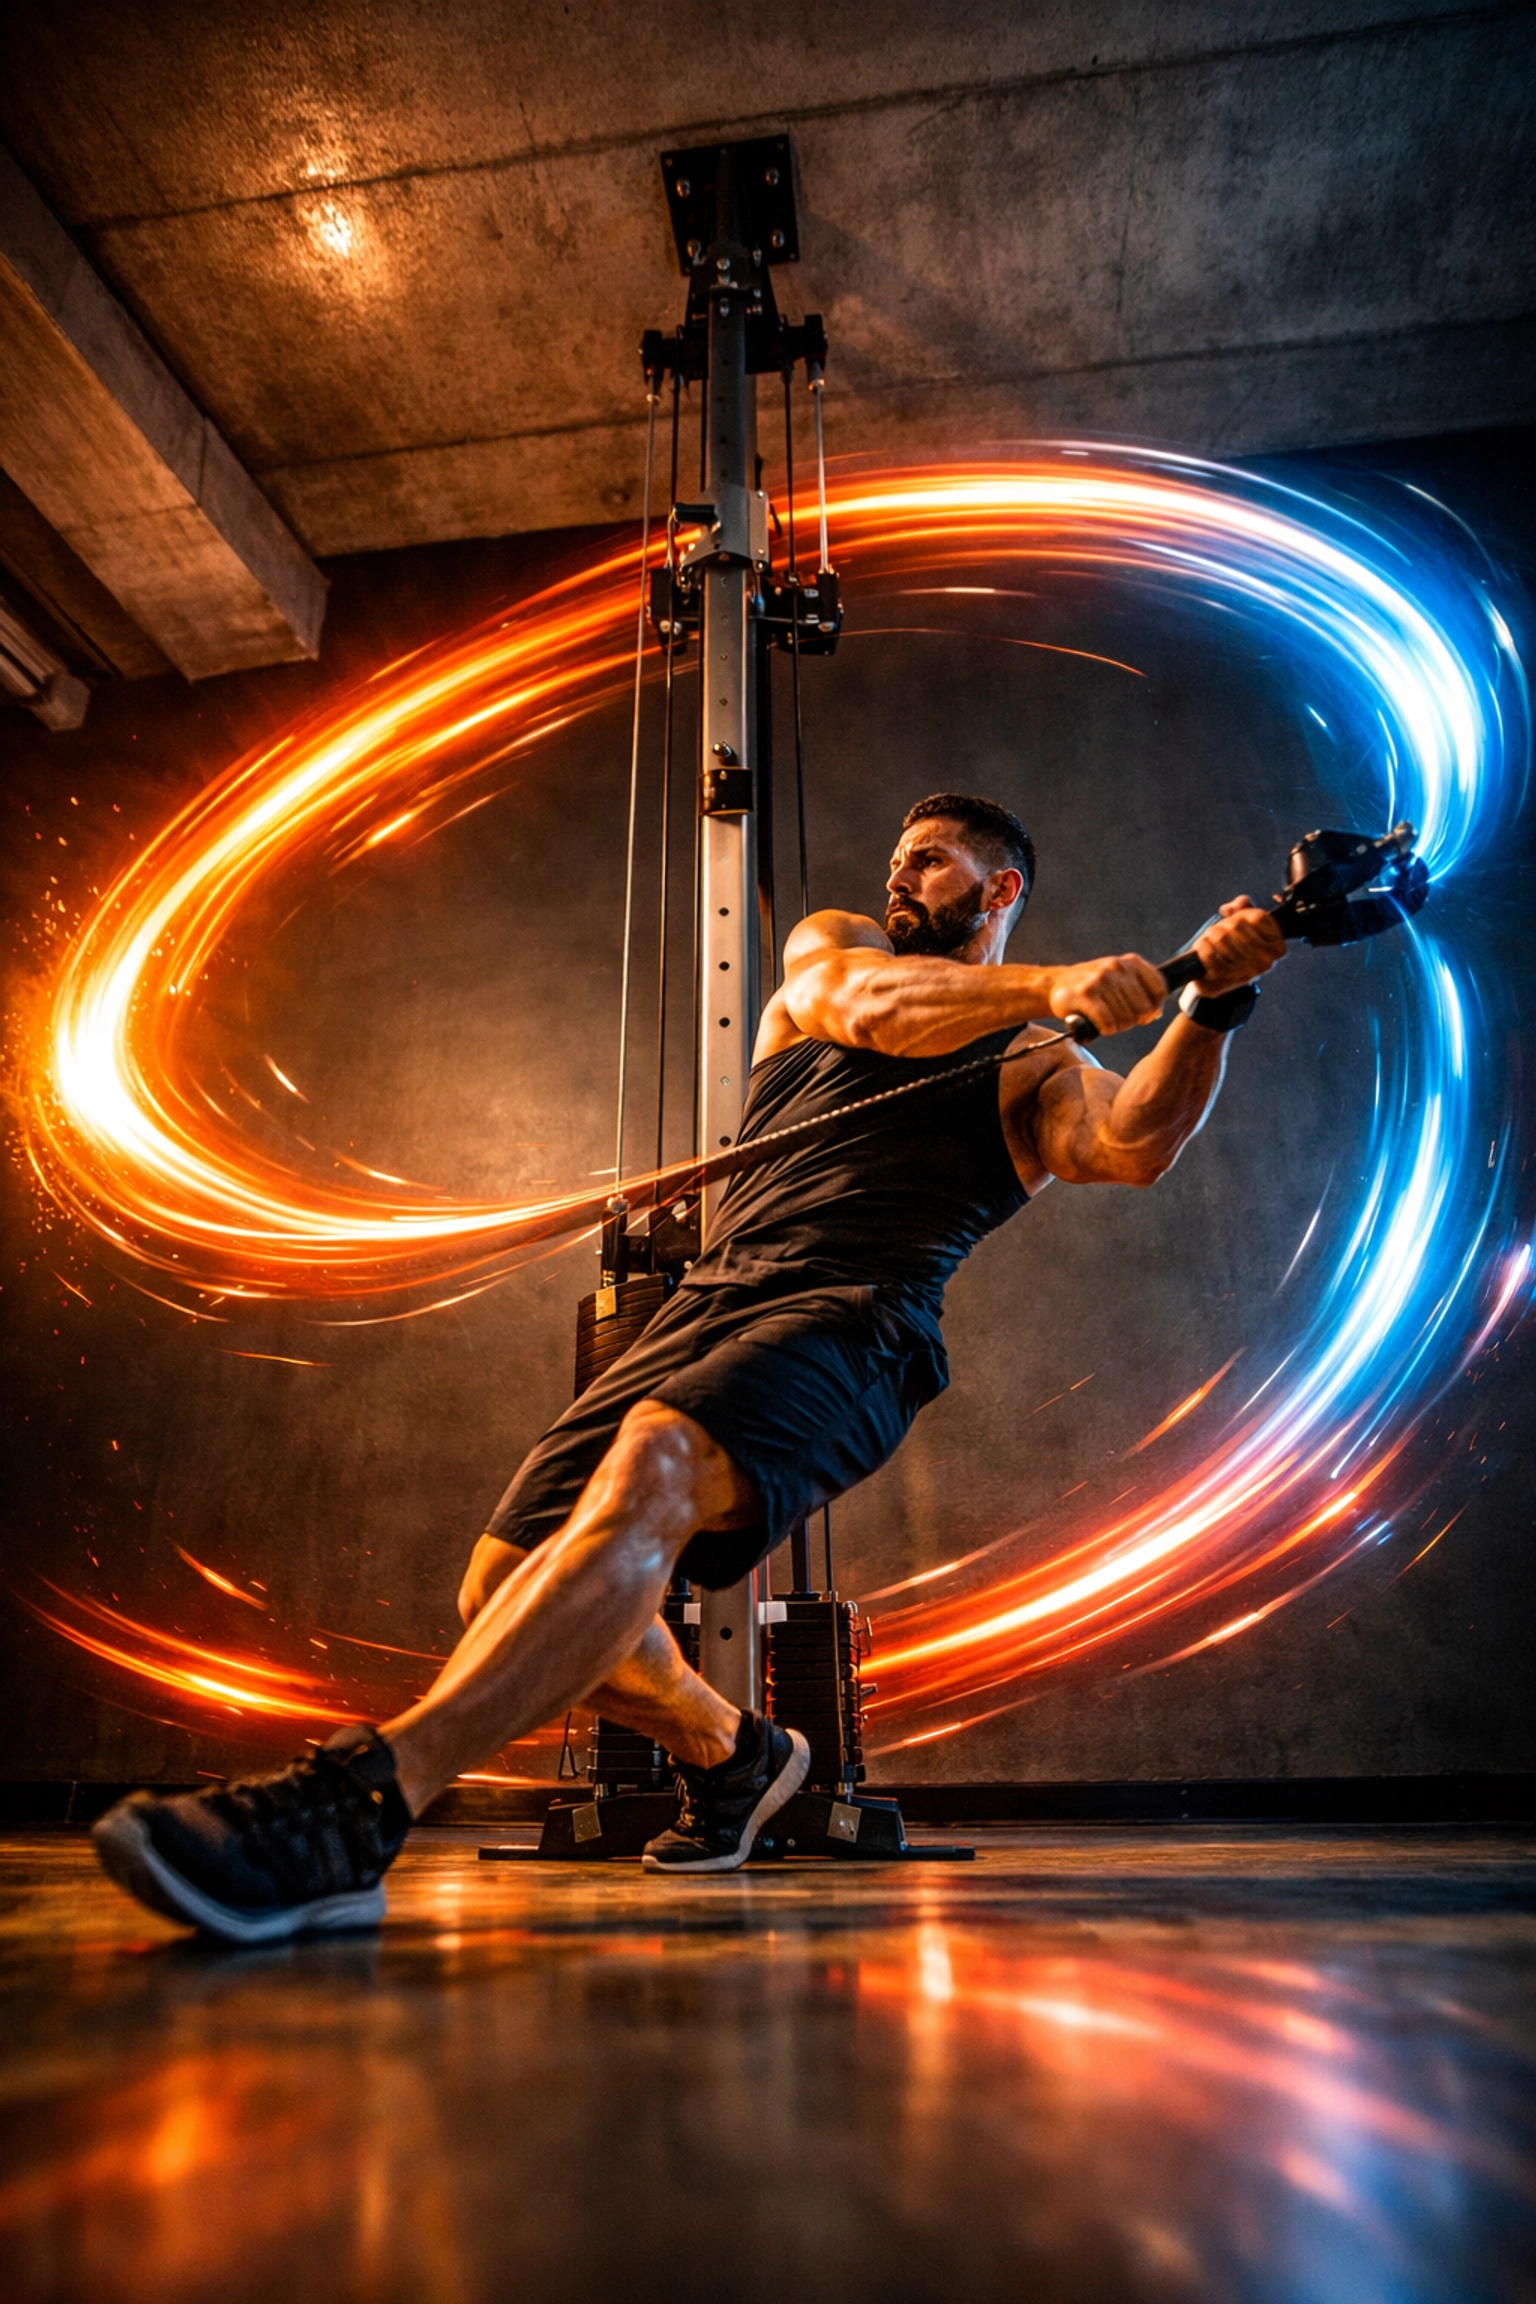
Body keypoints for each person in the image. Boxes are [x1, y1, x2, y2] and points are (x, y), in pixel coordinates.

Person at [93, 794, 1286, 1939]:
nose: (898, 875)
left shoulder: (1037, 1065)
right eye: (899, 857)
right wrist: (1053, 982)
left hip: (855, 1315)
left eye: (928, 858)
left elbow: (1129, 1146)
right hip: (714, 1297)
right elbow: (860, 1003)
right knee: (502, 1588)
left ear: (999, 883)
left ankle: (360, 1808)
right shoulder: (842, 952)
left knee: (659, 1467)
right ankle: (739, 1757)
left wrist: (1213, 1007)